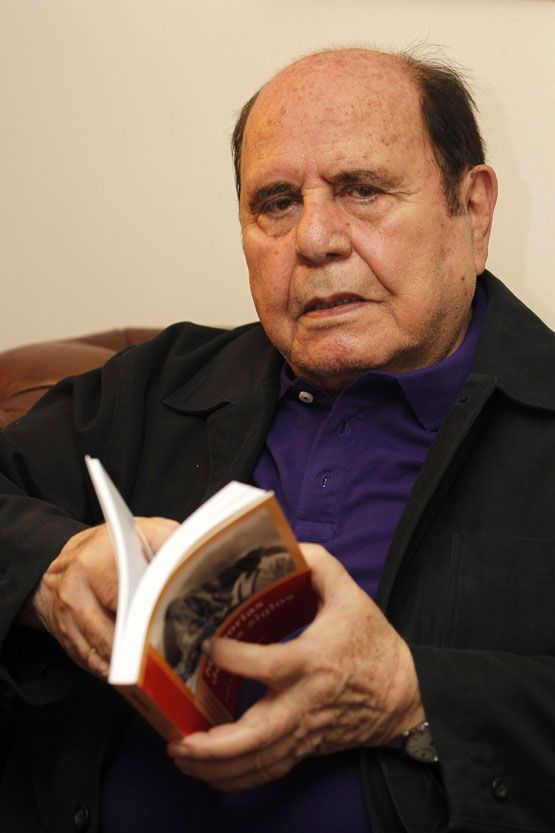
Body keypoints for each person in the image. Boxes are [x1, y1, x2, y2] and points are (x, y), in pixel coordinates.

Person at [0, 46, 554, 833]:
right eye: (276, 202)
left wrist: (409, 694)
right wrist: (49, 571)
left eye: (362, 190)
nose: (315, 238)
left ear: (472, 210)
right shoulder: (154, 386)